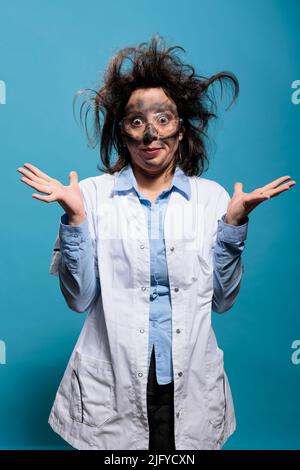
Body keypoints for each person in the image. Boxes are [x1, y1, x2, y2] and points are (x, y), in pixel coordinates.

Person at [17, 34, 296, 451]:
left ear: (181, 130)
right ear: (123, 133)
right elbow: (79, 300)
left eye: (163, 119)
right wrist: (75, 219)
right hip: (111, 384)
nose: (151, 134)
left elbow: (222, 301)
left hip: (187, 381)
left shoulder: (213, 199)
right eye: (136, 122)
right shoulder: (90, 196)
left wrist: (234, 227)